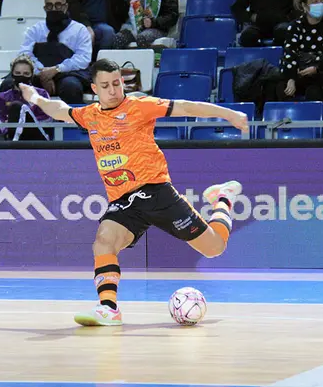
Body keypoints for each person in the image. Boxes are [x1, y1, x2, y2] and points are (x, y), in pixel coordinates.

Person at [18, 58, 247, 327]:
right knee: (104, 240)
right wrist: (33, 95)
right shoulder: (89, 115)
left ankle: (223, 198)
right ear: (95, 89)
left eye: (117, 83)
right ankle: (108, 308)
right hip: (123, 201)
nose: (114, 90)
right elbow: (59, 109)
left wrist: (228, 114)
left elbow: (184, 106)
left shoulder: (139, 107)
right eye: (106, 86)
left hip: (156, 192)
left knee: (214, 248)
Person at [277, 0, 323, 119]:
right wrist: (291, 78)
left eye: (322, 1)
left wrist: (317, 67)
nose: (319, 4)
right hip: (299, 73)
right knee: (281, 87)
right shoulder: (295, 26)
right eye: (314, 1)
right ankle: (288, 127)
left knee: (314, 90)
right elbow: (289, 54)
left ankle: (316, 131)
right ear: (304, 5)